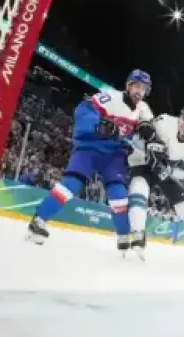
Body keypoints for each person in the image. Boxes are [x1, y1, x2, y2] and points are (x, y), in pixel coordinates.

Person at [26, 70, 154, 249]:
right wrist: (98, 125)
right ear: (128, 85)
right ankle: (39, 220)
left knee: (118, 195)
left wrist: (150, 137)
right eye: (137, 86)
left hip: (115, 155)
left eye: (144, 88)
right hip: (90, 148)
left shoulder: (144, 109)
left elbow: (147, 131)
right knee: (71, 184)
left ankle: (123, 236)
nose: (139, 91)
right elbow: (83, 109)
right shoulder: (111, 97)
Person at [125, 104, 184, 263]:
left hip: (166, 173)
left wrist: (168, 170)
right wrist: (149, 148)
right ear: (180, 119)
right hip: (144, 163)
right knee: (138, 188)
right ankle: (138, 233)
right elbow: (140, 135)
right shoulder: (164, 122)